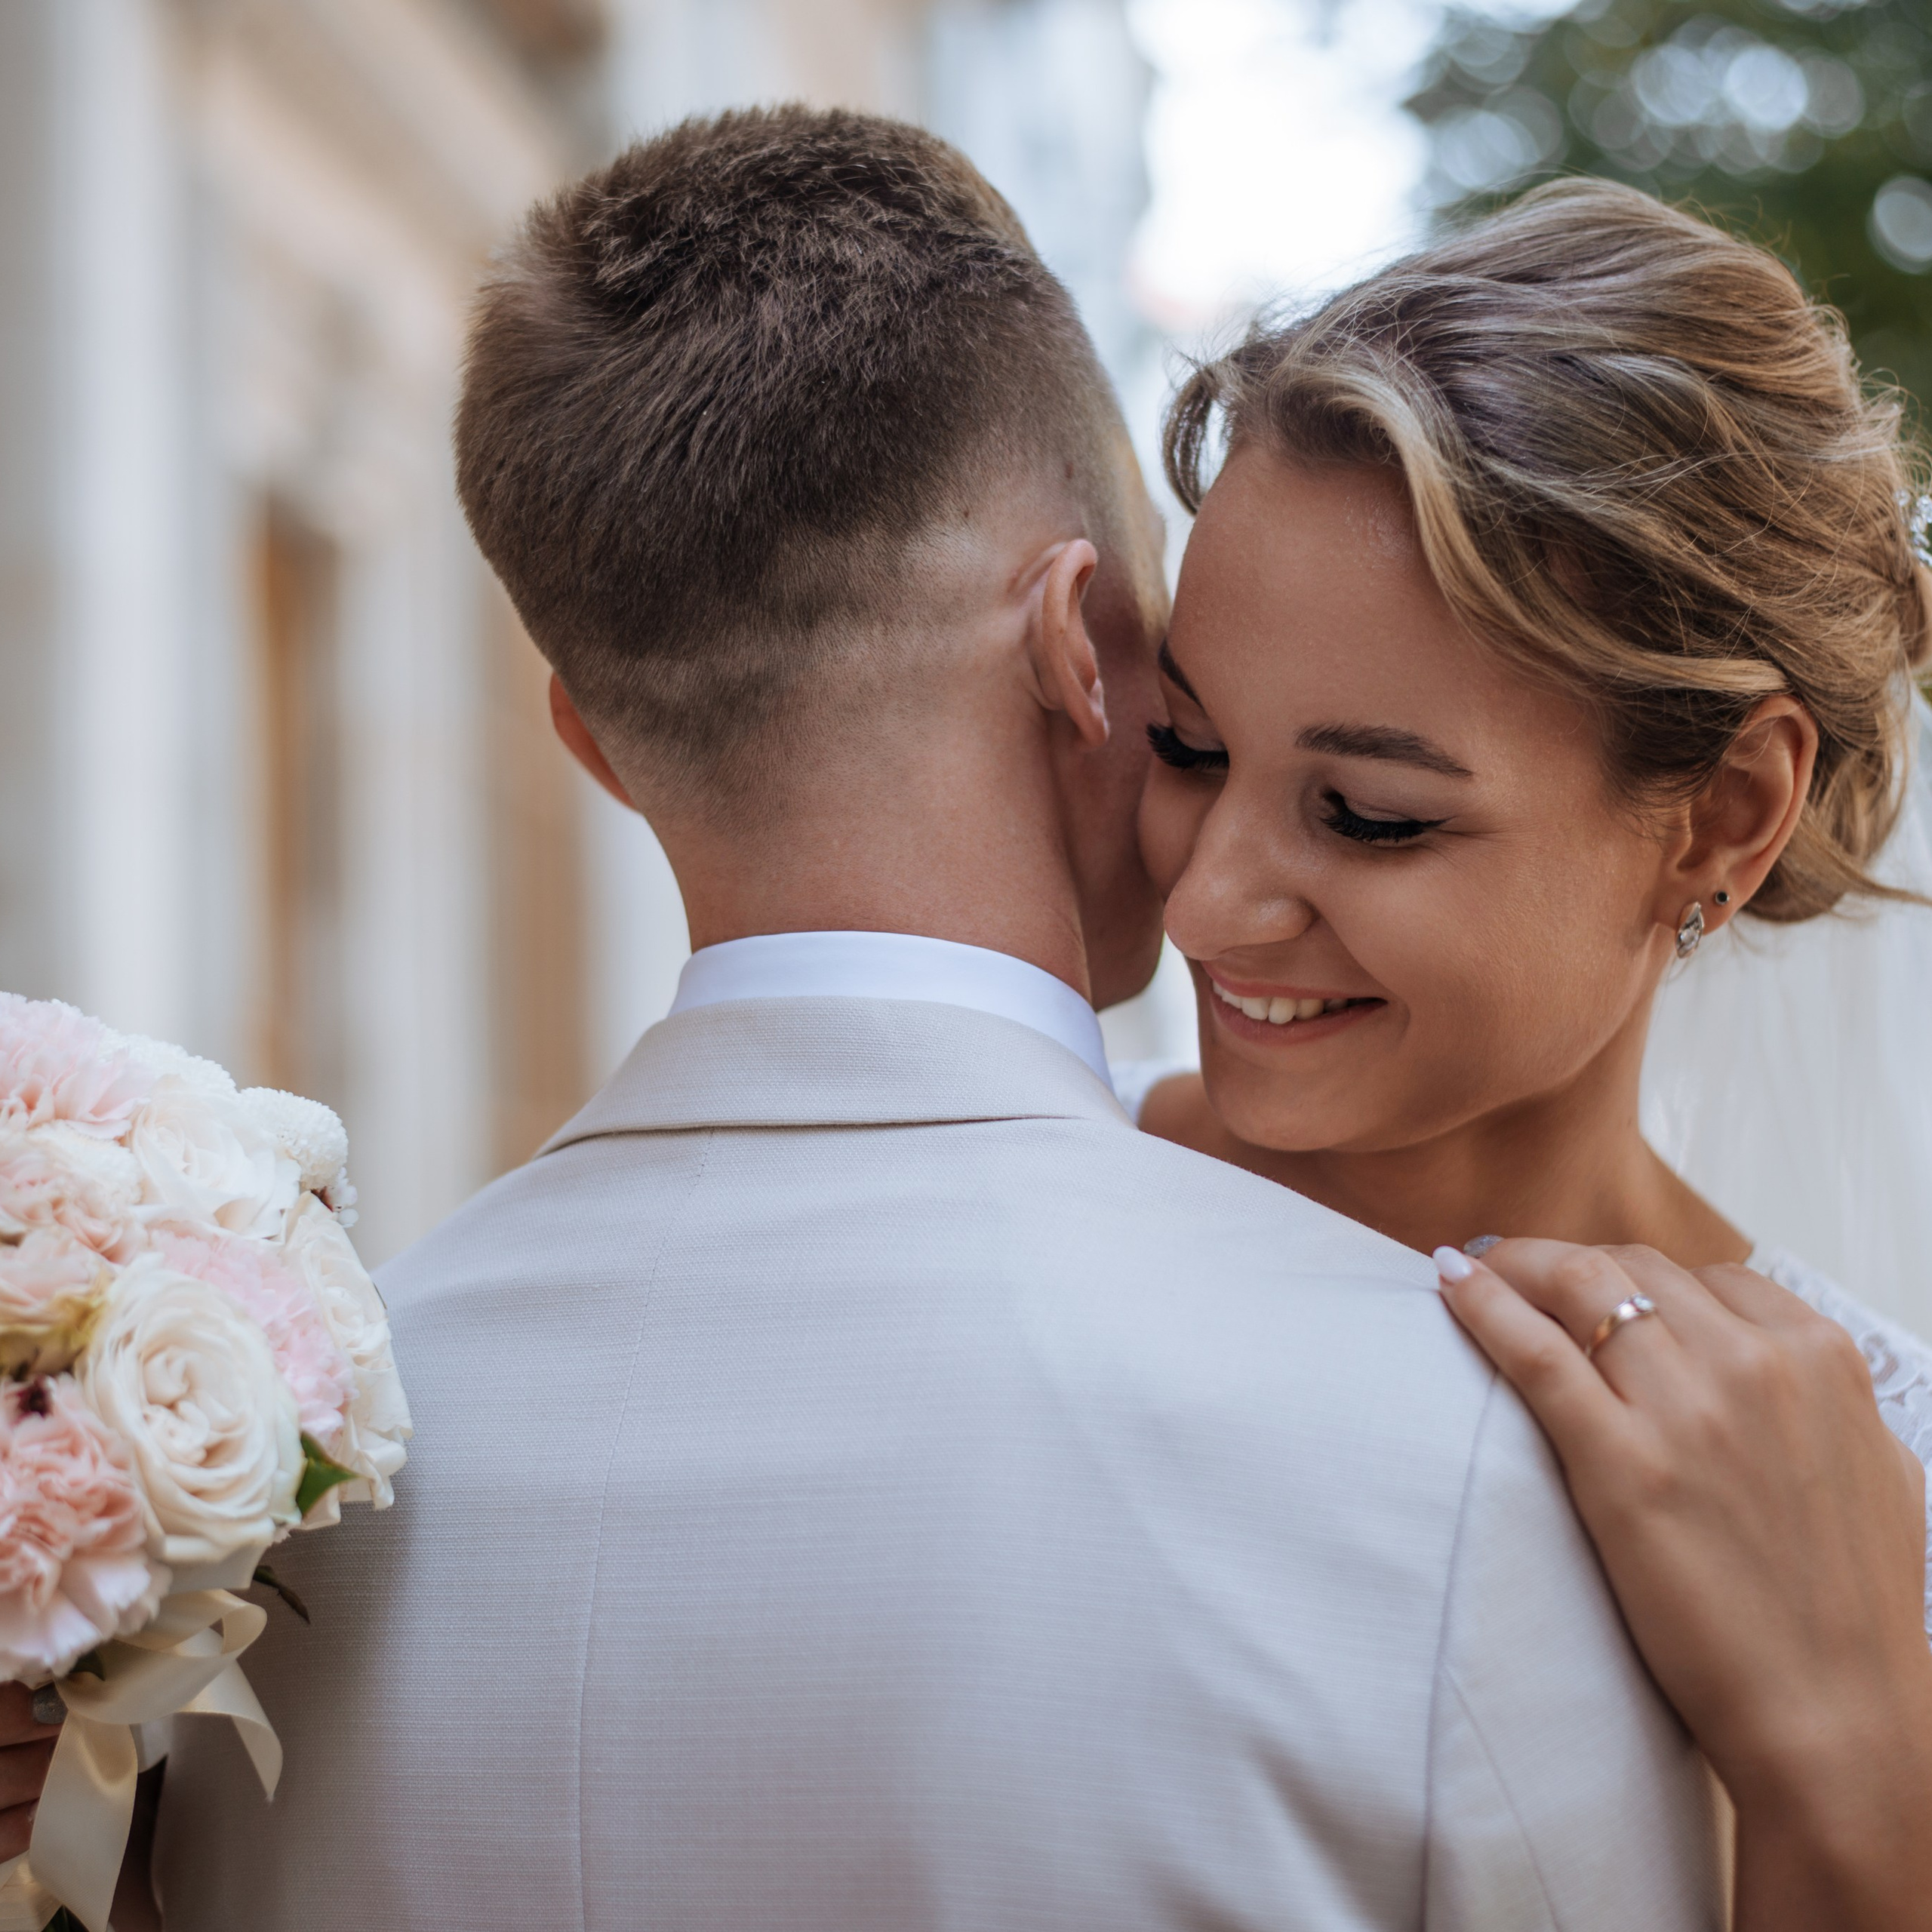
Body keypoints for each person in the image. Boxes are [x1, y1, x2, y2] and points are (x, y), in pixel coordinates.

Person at [142, 110, 1731, 1930]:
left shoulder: (265, 1486)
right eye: (1184, 701)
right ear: (1077, 640)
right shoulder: (1470, 1450)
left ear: (587, 737)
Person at [1124, 177, 1932, 1927]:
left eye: (1367, 812)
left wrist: (1850, 1777)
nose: (1198, 903)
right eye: (1184, 746)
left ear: (1722, 813)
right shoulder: (1002, 1204)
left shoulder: (1883, 1480)